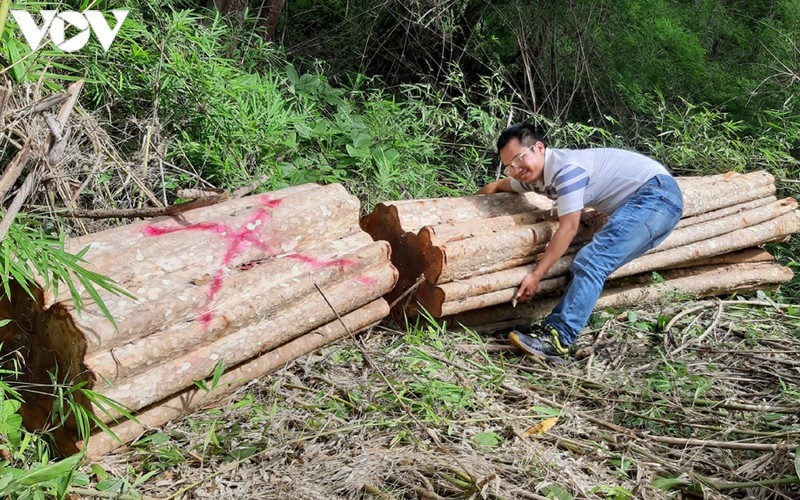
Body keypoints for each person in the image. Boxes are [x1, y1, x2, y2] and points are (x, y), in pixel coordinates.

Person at [478, 122, 684, 361]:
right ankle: (554, 329)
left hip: (657, 198)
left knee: (591, 262)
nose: (515, 169)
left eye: (519, 158)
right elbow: (497, 186)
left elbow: (568, 229)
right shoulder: (534, 177)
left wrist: (536, 275)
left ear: (539, 148)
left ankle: (559, 337)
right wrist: (469, 206)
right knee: (593, 261)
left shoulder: (566, 170)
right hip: (651, 201)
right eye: (508, 166)